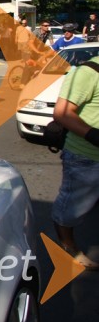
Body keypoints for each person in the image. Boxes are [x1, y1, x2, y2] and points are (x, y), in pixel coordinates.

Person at [51, 55, 99, 270]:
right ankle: (67, 245)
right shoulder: (88, 72)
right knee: (72, 207)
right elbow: (62, 113)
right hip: (86, 156)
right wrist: (94, 136)